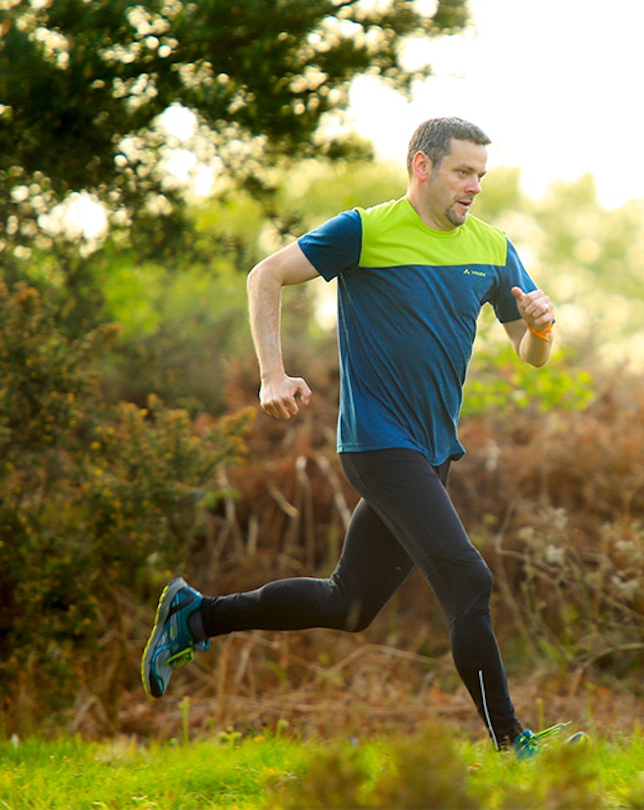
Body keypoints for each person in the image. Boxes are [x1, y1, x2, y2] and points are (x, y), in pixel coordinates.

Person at [141, 117, 562, 755]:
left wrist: (542, 327)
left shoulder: (492, 247)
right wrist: (272, 375)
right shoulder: (366, 231)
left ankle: (195, 615)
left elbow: (530, 356)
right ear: (422, 166)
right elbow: (265, 275)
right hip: (378, 443)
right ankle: (514, 745)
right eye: (462, 172)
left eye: (481, 174)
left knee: (350, 604)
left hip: (431, 451)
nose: (474, 186)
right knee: (468, 579)